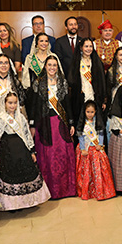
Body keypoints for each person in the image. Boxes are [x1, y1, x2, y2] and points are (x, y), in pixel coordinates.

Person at [0, 92, 51, 210]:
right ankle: (12, 204)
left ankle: (26, 202)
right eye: (10, 103)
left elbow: (27, 134)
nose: (12, 106)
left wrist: (32, 151)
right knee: (11, 177)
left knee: (26, 176)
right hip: (8, 151)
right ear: (4, 103)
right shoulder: (0, 118)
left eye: (14, 103)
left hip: (22, 150)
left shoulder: (21, 117)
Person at [28, 55, 76, 199]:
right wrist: (32, 124)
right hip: (45, 124)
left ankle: (66, 190)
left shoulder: (63, 82)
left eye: (54, 65)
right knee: (48, 157)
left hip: (60, 122)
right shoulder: (38, 83)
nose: (52, 68)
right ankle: (50, 191)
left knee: (63, 156)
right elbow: (33, 106)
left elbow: (68, 104)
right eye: (49, 65)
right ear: (45, 66)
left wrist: (71, 122)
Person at [75, 100, 116, 201]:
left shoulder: (98, 122)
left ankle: (102, 190)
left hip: (96, 146)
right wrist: (82, 149)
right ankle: (87, 191)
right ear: (84, 112)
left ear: (95, 112)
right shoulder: (82, 123)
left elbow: (101, 133)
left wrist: (100, 144)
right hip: (86, 148)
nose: (90, 114)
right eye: (88, 112)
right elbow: (80, 135)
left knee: (100, 169)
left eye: (92, 112)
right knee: (86, 170)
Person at [67, 37, 107, 125]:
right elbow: (71, 79)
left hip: (95, 96)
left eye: (90, 46)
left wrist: (103, 99)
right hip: (80, 98)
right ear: (81, 47)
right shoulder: (76, 62)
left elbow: (102, 81)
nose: (88, 49)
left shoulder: (97, 61)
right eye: (86, 46)